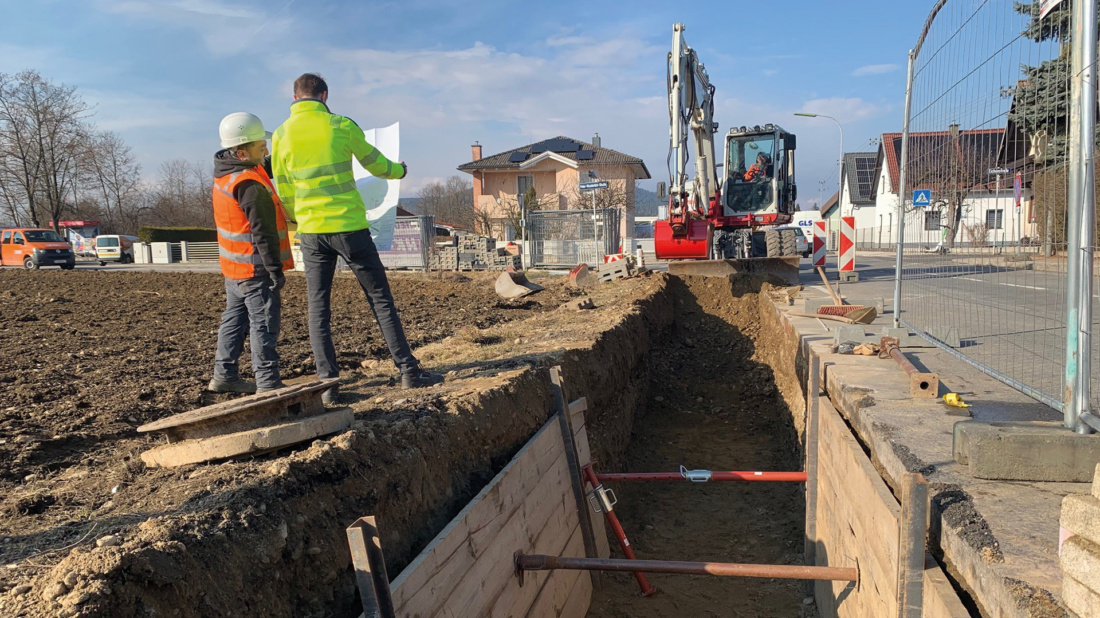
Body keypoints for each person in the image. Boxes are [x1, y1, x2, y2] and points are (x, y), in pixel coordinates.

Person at [271, 73, 441, 401]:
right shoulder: (341, 125)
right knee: (379, 298)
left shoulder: (280, 135)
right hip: (349, 227)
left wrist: (299, 216)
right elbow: (375, 163)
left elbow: (283, 186)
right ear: (324, 95)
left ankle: (329, 388)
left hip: (311, 232)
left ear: (294, 98)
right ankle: (408, 370)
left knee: (318, 307)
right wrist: (399, 170)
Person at [208, 112, 294, 394]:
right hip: (256, 269)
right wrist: (274, 270)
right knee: (264, 324)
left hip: (235, 270)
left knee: (234, 320)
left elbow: (268, 164)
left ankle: (224, 376)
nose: (265, 150)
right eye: (260, 146)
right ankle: (268, 383)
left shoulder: (228, 172)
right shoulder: (248, 185)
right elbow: (264, 232)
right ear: (243, 152)